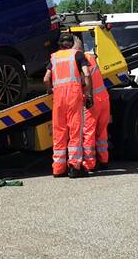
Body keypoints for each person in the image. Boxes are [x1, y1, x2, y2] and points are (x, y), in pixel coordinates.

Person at [44, 32, 92, 178]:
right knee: (75, 131)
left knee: (59, 132)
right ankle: (74, 167)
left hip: (58, 97)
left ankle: (58, 169)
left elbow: (46, 79)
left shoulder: (54, 57)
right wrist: (88, 94)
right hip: (73, 95)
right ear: (72, 43)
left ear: (59, 44)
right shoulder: (78, 55)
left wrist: (50, 90)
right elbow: (87, 74)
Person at [81, 47, 111, 173]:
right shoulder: (90, 57)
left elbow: (84, 80)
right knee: (102, 131)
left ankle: (89, 164)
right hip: (104, 98)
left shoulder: (80, 61)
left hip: (92, 101)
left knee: (88, 133)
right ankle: (104, 160)